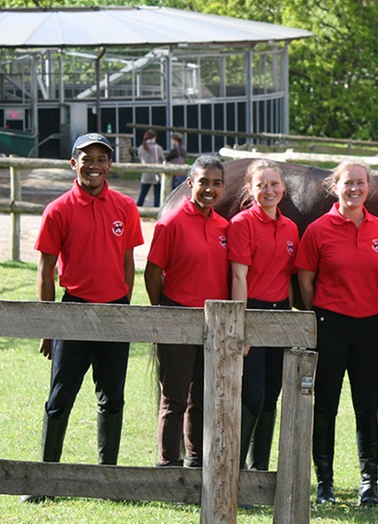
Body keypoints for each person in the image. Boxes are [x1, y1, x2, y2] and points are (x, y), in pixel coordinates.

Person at [23, 133, 143, 503]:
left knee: (113, 397)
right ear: (73, 163)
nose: (94, 165)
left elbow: (128, 261)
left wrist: (124, 303)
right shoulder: (58, 209)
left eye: (102, 159)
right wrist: (49, 325)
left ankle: (107, 480)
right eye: (86, 158)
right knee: (60, 397)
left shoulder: (124, 207)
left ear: (110, 165)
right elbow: (45, 270)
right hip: (72, 310)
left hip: (115, 311)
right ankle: (45, 480)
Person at [296, 161, 378, 506]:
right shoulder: (319, 229)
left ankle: (370, 481)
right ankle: (325, 482)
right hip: (330, 325)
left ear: (369, 187)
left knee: (368, 406)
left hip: (370, 327)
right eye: (347, 182)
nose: (355, 188)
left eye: (361, 183)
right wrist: (319, 312)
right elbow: (305, 279)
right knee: (326, 406)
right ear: (335, 186)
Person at [145, 156, 229, 468]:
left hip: (213, 323)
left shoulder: (224, 226)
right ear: (190, 183)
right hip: (177, 316)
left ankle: (196, 461)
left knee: (203, 397)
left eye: (216, 183)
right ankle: (168, 464)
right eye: (203, 182)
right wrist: (161, 315)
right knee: (174, 397)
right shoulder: (172, 222)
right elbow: (153, 273)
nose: (210, 189)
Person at [227, 159, 299, 469]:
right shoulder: (241, 224)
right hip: (252, 311)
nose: (268, 190)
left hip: (280, 314)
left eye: (274, 184)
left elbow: (288, 278)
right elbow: (238, 278)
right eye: (261, 185)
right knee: (252, 398)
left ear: (283, 188)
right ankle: (237, 468)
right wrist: (241, 329)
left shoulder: (291, 227)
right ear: (250, 189)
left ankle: (260, 470)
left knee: (271, 397)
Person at [137, 129, 165, 207]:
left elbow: (140, 157)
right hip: (156, 174)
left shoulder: (141, 147)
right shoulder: (158, 148)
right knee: (157, 194)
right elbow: (162, 158)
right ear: (154, 137)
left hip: (145, 173)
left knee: (143, 193)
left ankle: (138, 208)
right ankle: (156, 209)